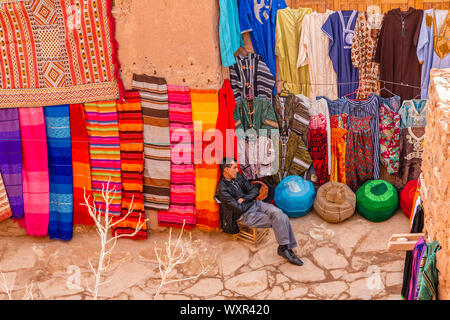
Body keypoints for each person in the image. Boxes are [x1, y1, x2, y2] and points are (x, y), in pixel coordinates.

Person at [215, 158, 303, 266]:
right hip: (245, 215)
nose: (237, 170)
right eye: (234, 168)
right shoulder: (223, 189)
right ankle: (286, 249)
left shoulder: (237, 177)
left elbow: (255, 190)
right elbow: (239, 208)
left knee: (280, 214)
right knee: (281, 219)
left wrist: (244, 199)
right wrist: (248, 200)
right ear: (226, 170)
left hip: (255, 204)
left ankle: (284, 248)